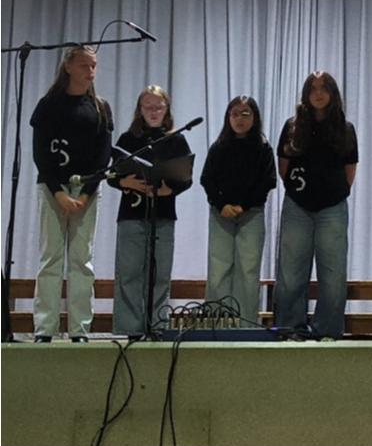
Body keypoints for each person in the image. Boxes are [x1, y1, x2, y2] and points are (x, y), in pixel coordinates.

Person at [29, 45, 113, 342]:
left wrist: (86, 194)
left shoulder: (99, 107)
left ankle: (80, 328)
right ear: (68, 67)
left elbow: (103, 157)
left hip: (86, 190)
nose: (90, 71)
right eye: (84, 65)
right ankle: (45, 328)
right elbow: (41, 153)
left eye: (94, 66)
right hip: (53, 188)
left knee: (81, 260)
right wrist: (58, 192)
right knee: (51, 257)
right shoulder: (49, 105)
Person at [275, 71, 358, 340]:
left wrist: (333, 193)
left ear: (333, 93)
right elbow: (284, 167)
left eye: (324, 88)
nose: (318, 93)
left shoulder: (345, 129)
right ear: (305, 94)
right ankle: (290, 328)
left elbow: (349, 171)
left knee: (333, 274)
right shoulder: (292, 126)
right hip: (297, 206)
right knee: (291, 272)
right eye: (313, 88)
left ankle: (328, 331)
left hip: (332, 208)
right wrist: (300, 192)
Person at [109, 85, 193, 337]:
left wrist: (169, 190)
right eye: (148, 107)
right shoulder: (128, 139)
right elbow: (112, 174)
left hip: (163, 213)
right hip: (132, 213)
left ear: (167, 109)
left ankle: (157, 326)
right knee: (129, 272)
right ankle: (130, 328)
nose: (154, 112)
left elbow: (186, 177)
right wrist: (125, 182)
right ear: (140, 109)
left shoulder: (176, 139)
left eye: (159, 107)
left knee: (160, 273)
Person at [201, 96, 277, 325]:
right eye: (235, 114)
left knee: (248, 270)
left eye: (245, 113)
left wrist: (243, 205)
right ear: (228, 118)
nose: (240, 119)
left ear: (255, 118)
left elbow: (267, 182)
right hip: (221, 214)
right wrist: (222, 205)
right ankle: (216, 325)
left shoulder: (263, 148)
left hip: (251, 214)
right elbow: (207, 180)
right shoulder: (218, 147)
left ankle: (245, 325)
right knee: (218, 269)